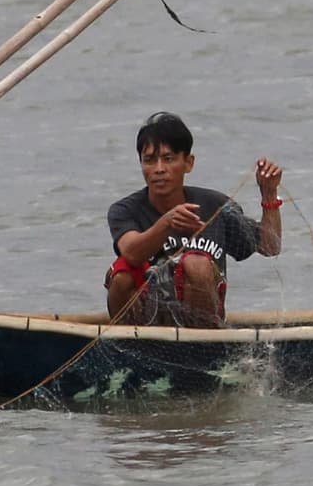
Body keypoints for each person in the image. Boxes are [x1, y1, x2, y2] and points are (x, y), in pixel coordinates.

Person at [103, 110, 281, 327]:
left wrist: (269, 194)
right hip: (148, 322)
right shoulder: (125, 210)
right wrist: (167, 223)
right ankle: (132, 347)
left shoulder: (216, 206)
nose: (159, 169)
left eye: (169, 159)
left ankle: (203, 345)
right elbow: (130, 252)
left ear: (188, 163)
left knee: (196, 264)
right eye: (149, 160)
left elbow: (270, 246)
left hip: (201, 325)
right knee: (121, 275)